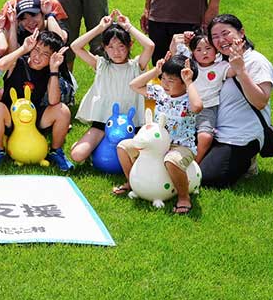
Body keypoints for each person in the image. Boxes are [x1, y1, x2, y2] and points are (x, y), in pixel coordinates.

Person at [114, 54, 202, 214]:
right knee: (123, 147)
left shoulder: (189, 98)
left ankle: (183, 197)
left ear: (184, 83)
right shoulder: (160, 93)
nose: (165, 84)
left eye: (171, 80)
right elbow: (134, 85)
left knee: (171, 160)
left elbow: (197, 107)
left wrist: (189, 82)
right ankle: (131, 182)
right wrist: (156, 71)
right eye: (164, 78)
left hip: (180, 146)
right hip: (155, 143)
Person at [69, 11, 155, 164]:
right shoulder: (101, 65)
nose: (116, 52)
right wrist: (100, 28)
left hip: (131, 125)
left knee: (142, 161)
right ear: (104, 48)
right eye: (111, 47)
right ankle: (93, 150)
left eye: (121, 46)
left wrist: (128, 27)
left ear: (130, 45)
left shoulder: (137, 66)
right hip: (104, 122)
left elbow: (150, 46)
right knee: (77, 155)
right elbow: (75, 46)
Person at [201, 14, 273, 187]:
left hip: (241, 137)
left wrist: (241, 71)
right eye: (215, 37)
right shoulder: (219, 60)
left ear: (241, 33)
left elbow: (260, 101)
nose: (221, 40)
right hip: (216, 131)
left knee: (208, 179)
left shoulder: (256, 62)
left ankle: (248, 161)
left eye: (225, 33)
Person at [0, 30, 74, 171]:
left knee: (63, 111)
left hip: (33, 119)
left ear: (52, 58)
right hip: (10, 117)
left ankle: (56, 151)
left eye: (45, 54)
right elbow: (1, 65)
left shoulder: (49, 71)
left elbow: (53, 100)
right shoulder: (18, 62)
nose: (37, 56)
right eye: (36, 50)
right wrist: (23, 49)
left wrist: (54, 70)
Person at [169, 30, 229, 164]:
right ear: (193, 52)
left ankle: (196, 162)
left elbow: (235, 70)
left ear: (216, 50)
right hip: (186, 106)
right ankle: (173, 157)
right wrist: (184, 39)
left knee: (205, 136)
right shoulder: (189, 64)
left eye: (208, 48)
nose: (204, 53)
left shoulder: (222, 66)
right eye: (199, 49)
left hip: (207, 108)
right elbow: (174, 51)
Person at [0, 0, 68, 57]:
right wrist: (13, 23)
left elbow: (61, 40)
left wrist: (49, 14)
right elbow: (12, 56)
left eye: (33, 15)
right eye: (23, 18)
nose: (30, 22)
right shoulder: (21, 31)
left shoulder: (53, 23)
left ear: (42, 13)